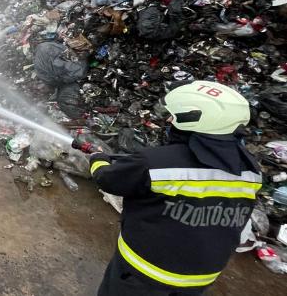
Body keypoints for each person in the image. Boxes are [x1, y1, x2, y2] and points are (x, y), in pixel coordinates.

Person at [89, 80, 261, 295]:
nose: (169, 120)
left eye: (176, 115)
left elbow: (107, 179)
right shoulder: (251, 170)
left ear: (197, 120)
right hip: (200, 280)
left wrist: (97, 159)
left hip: (144, 273)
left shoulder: (156, 162)